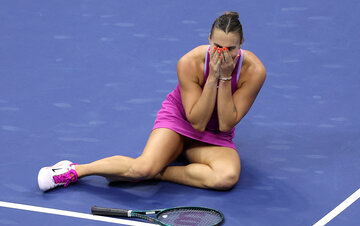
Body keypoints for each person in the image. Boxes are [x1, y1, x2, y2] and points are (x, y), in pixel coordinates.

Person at [38, 11, 266, 191]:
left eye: (230, 49)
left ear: (242, 43)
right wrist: (212, 77)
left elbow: (226, 123)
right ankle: (74, 170)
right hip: (181, 121)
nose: (222, 54)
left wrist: (224, 77)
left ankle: (159, 173)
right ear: (208, 40)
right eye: (217, 47)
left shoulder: (254, 71)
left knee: (226, 177)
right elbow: (196, 122)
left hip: (215, 135)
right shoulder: (189, 62)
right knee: (141, 168)